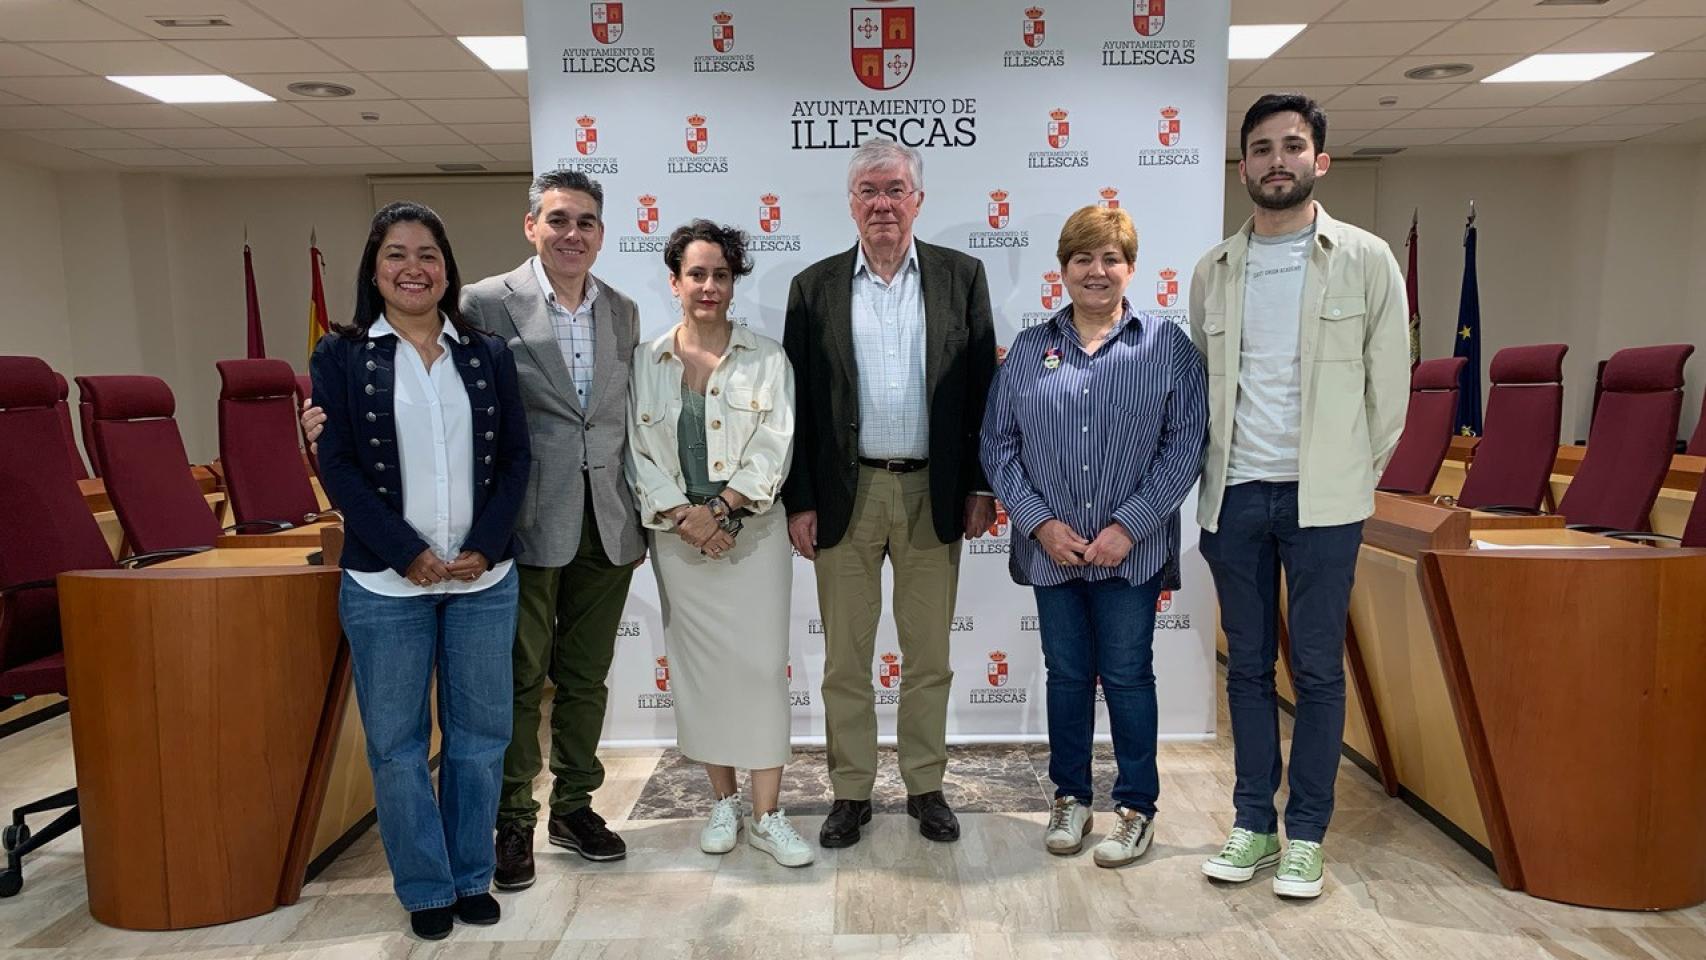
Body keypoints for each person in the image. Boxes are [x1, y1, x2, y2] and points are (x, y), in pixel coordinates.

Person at [305, 171, 645, 890]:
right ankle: (512, 820)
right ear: (532, 227)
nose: (571, 234)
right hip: (519, 524)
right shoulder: (483, 304)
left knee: (583, 680)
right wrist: (318, 428)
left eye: (585, 222)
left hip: (605, 520)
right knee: (516, 684)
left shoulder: (624, 309)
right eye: (557, 220)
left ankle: (575, 806)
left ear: (602, 233)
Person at [1189, 94, 1408, 899]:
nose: (1275, 159)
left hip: (1326, 507)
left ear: (1320, 160)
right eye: (1260, 148)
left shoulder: (1365, 258)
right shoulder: (1214, 271)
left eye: (1292, 145)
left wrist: (1349, 476)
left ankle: (1307, 832)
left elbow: (1391, 395)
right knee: (1246, 670)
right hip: (1236, 498)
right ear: (1242, 165)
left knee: (1316, 670)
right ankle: (1252, 822)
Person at [310, 201, 530, 940]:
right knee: (398, 745)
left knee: (480, 737)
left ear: (447, 268)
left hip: (483, 581)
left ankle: (471, 875)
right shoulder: (341, 357)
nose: (414, 268)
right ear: (374, 271)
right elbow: (335, 465)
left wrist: (486, 545)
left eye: (427, 254)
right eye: (397, 255)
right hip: (384, 583)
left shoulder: (486, 352)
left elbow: (516, 460)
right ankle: (427, 885)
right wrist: (408, 552)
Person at [782, 136, 998, 848]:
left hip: (932, 492)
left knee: (928, 653)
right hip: (847, 494)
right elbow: (801, 406)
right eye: (869, 191)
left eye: (894, 189)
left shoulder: (961, 277)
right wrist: (801, 499)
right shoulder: (812, 287)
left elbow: (980, 396)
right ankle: (850, 792)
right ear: (851, 203)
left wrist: (979, 484)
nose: (882, 203)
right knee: (846, 658)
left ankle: (925, 785)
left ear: (918, 200)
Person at [981, 205, 1206, 868]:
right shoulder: (1029, 350)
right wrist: (1039, 523)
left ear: (1130, 268)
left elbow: (1185, 444)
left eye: (1110, 259)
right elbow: (998, 446)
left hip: (1130, 556)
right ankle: (1071, 798)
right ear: (1064, 269)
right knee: (1068, 675)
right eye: (1083, 259)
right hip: (1052, 554)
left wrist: (1129, 527)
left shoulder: (1167, 347)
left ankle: (1136, 809)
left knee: (1130, 676)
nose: (1096, 271)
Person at [625, 220, 806, 866]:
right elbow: (638, 452)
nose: (708, 286)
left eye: (720, 274)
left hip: (751, 536)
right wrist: (687, 517)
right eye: (696, 274)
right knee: (702, 677)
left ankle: (768, 813)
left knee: (759, 674)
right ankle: (724, 802)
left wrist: (723, 509)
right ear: (674, 282)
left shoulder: (767, 358)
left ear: (734, 283)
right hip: (680, 543)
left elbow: (774, 445)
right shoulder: (646, 362)